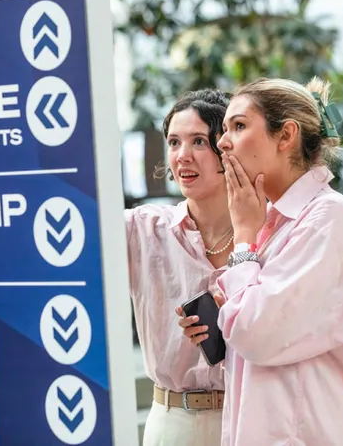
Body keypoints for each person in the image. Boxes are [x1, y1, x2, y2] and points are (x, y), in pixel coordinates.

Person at [177, 77, 343, 445]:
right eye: (225, 129)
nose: (222, 142)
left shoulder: (327, 219)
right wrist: (220, 319)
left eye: (239, 126)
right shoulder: (274, 221)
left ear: (285, 136)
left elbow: (255, 331)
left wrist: (244, 238)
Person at [125, 88, 232, 446]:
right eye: (174, 142)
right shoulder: (142, 229)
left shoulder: (271, 233)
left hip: (250, 416)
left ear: (227, 148)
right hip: (172, 423)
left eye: (198, 141)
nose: (182, 155)